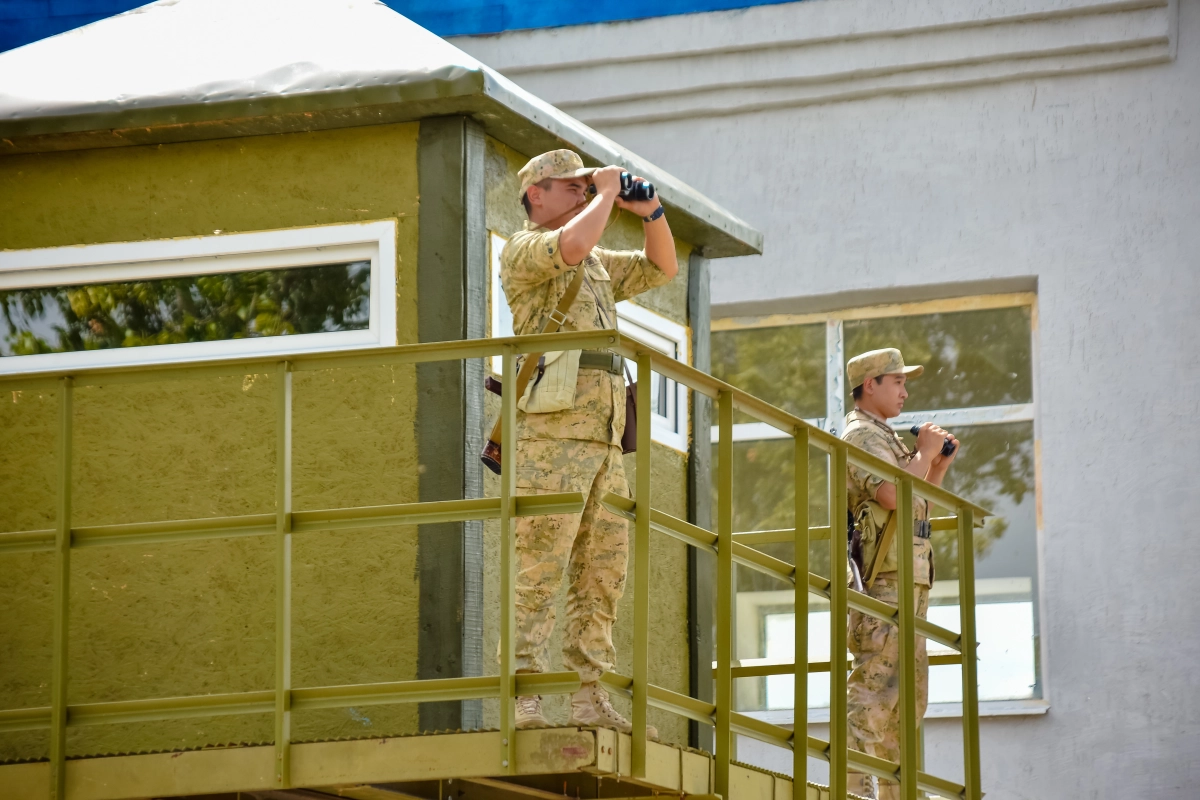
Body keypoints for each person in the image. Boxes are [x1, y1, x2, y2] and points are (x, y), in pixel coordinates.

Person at [500, 149, 677, 735]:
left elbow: (661, 267)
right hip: (552, 436)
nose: (580, 192)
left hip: (601, 438)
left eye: (583, 186)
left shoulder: (596, 263)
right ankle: (525, 695)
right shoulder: (524, 249)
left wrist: (649, 211)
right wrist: (604, 195)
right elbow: (569, 248)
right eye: (568, 186)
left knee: (602, 571)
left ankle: (587, 695)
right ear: (536, 196)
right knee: (539, 565)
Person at [841, 348, 959, 800]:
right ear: (869, 385)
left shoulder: (884, 437)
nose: (905, 392)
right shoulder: (862, 435)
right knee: (878, 683)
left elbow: (918, 503)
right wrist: (924, 452)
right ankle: (857, 784)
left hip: (908, 576)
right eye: (897, 382)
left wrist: (937, 463)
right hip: (885, 578)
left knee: (907, 693)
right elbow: (893, 496)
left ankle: (894, 789)